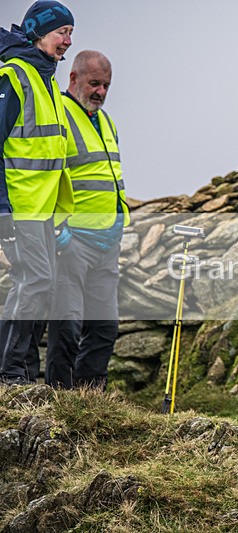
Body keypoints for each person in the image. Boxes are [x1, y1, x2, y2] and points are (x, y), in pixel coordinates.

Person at [0, 1, 75, 385]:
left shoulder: (44, 79)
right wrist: (3, 211)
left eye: (71, 34)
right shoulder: (14, 76)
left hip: (43, 211)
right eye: (62, 32)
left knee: (39, 286)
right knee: (35, 283)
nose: (67, 41)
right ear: (38, 31)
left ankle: (22, 373)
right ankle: (10, 372)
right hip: (19, 207)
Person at [45, 50, 128, 390]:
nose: (101, 92)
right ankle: (61, 400)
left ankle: (91, 400)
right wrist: (60, 235)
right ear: (74, 78)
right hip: (73, 243)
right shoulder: (58, 115)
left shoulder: (106, 121)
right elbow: (45, 178)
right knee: (67, 327)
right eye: (95, 83)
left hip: (107, 245)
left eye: (107, 85)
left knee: (105, 327)